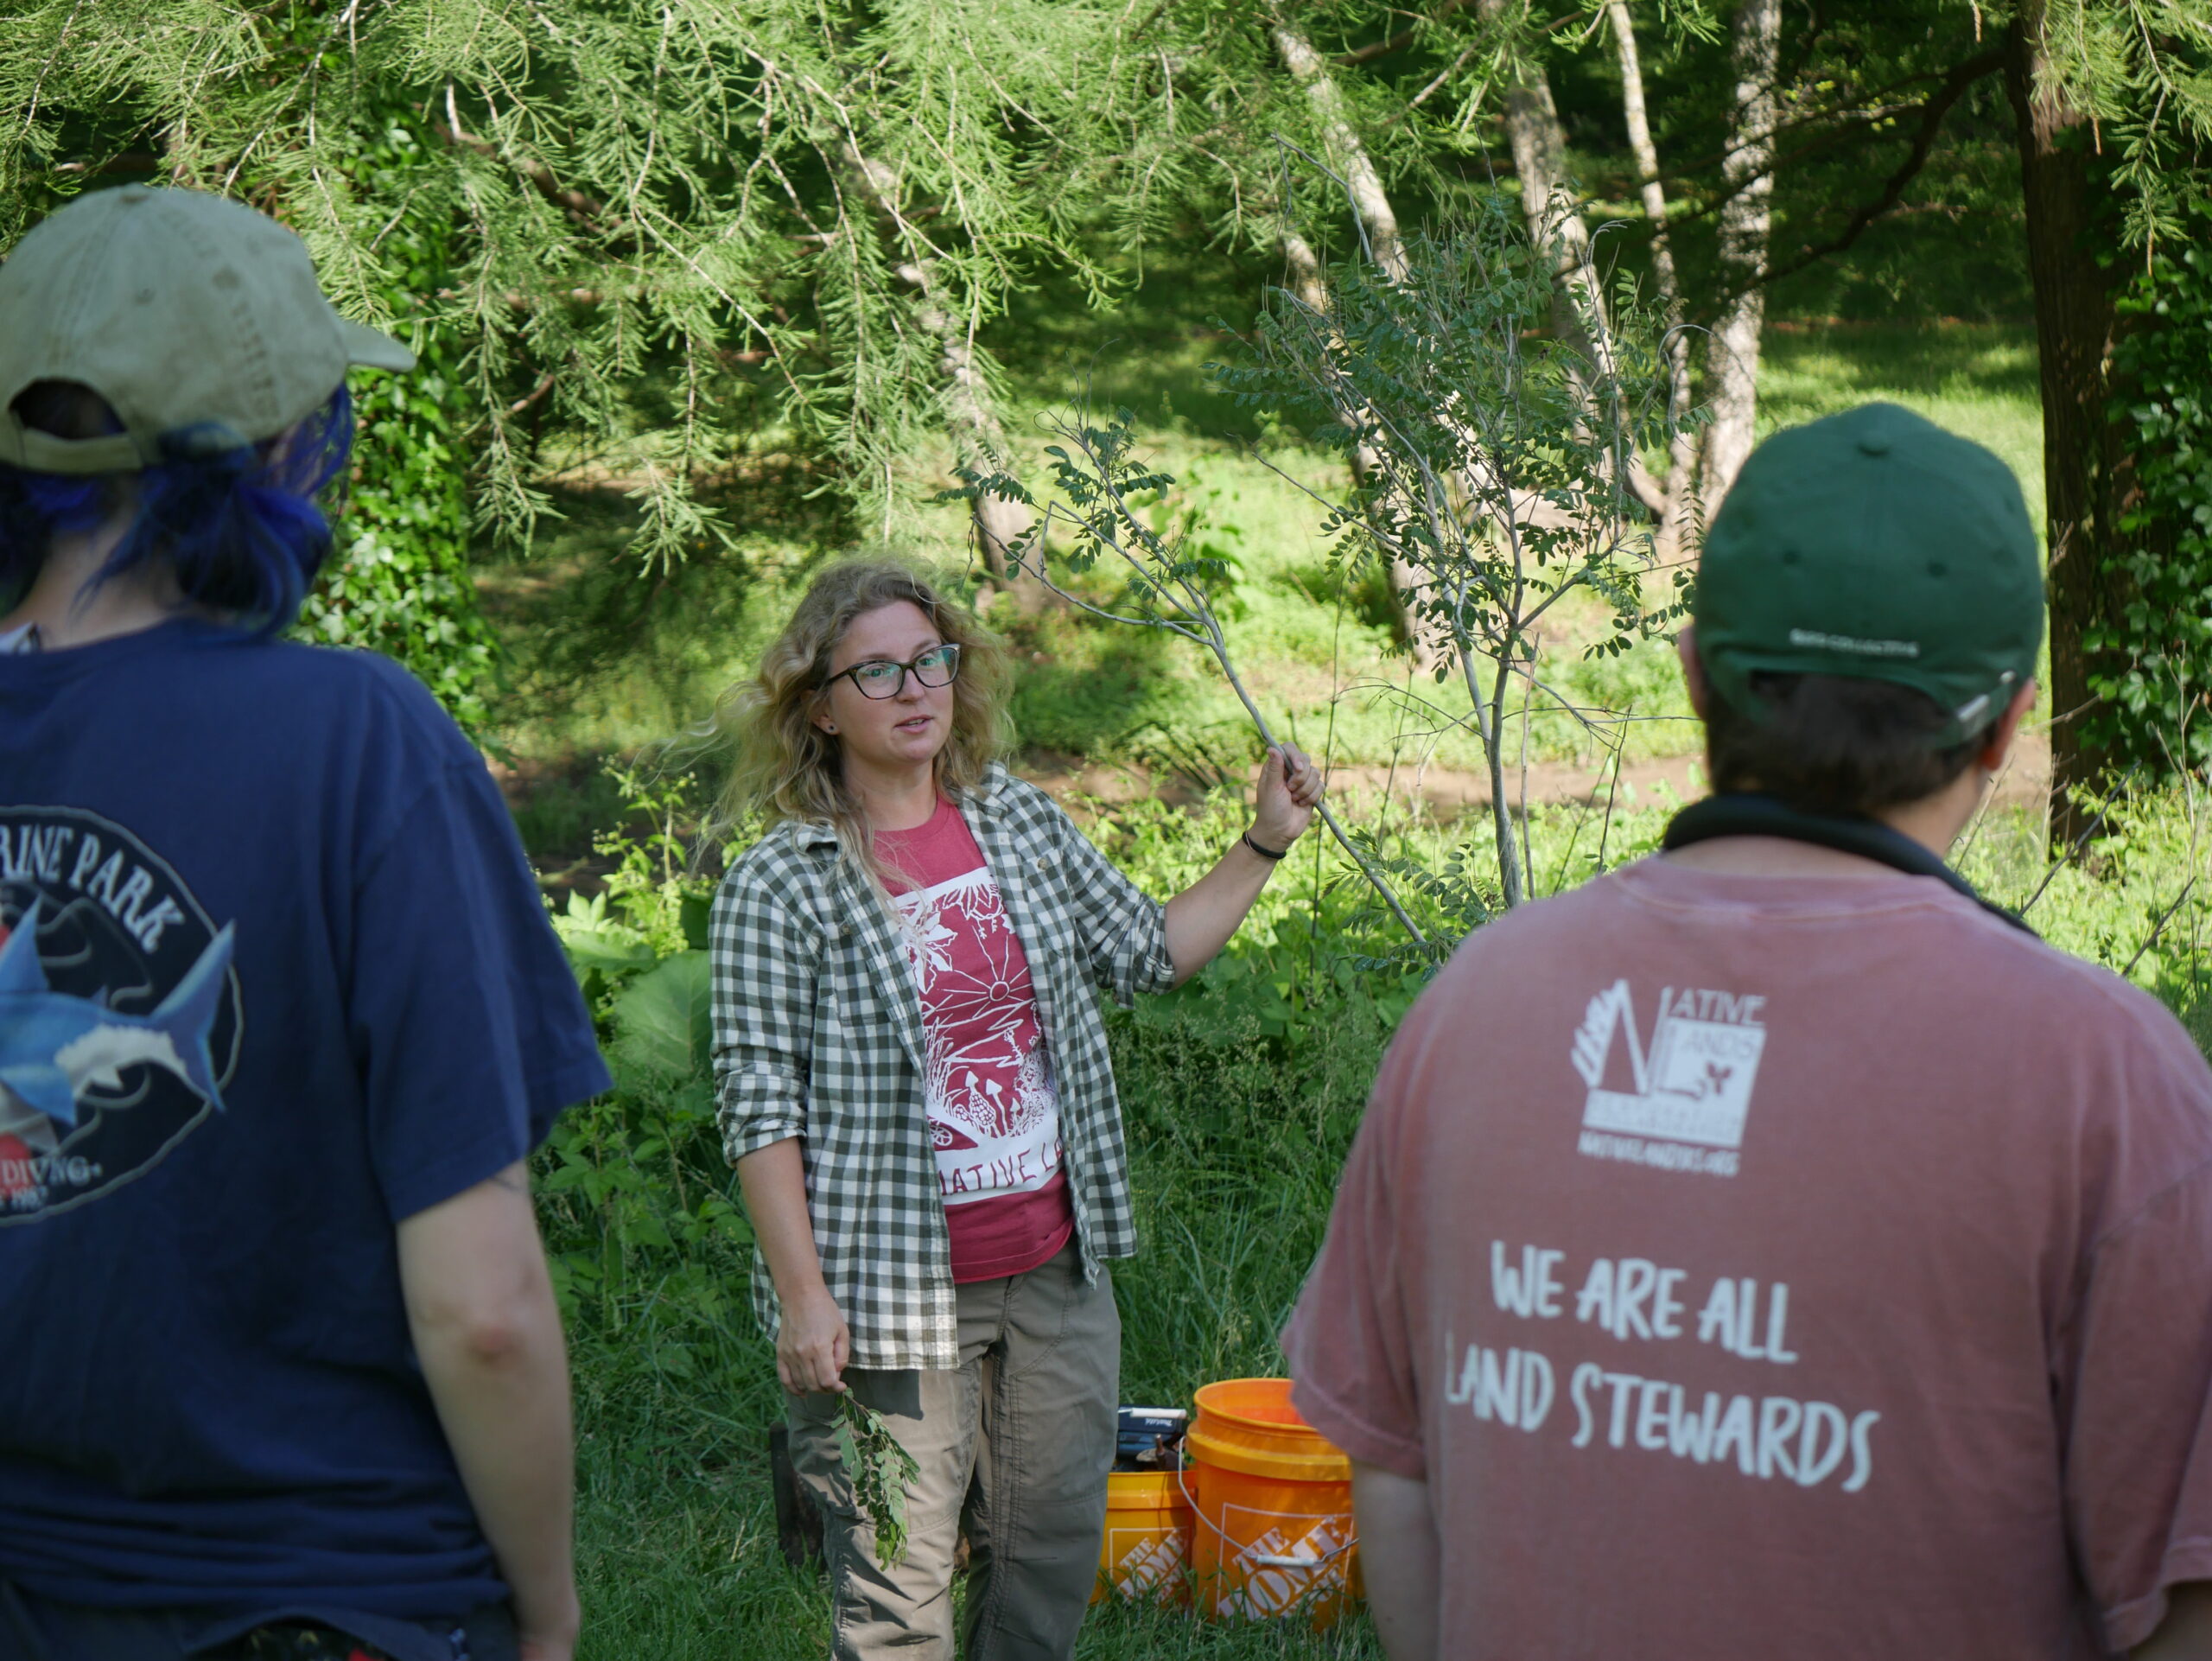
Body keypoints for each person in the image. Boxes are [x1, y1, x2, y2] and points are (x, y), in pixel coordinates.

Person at [1283, 403, 2212, 1660]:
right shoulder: (2109, 1080)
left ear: (1693, 675)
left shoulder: (1481, 1003)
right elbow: (2184, 1592)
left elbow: (1394, 1474)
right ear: (2006, 722)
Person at [0, 186, 609, 1661]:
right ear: (282, 450)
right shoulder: (359, 741)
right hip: (320, 1593)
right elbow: (483, 1308)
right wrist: (550, 1608)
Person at [709, 557, 1323, 1659]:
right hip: (889, 1283)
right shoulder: (781, 880)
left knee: (1046, 1561)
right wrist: (804, 1299)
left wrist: (1265, 837)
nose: (914, 689)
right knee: (899, 1588)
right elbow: (759, 1106)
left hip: (1051, 1265)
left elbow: (1150, 949)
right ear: (821, 705)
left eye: (931, 659)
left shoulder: (1019, 825)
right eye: (879, 670)